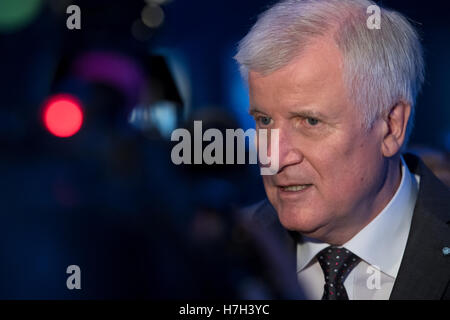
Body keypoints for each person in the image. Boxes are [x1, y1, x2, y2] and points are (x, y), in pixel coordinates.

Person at [235, 0, 450, 300]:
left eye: (310, 121)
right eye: (264, 120)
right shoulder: (225, 253)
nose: (274, 157)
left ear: (391, 126)